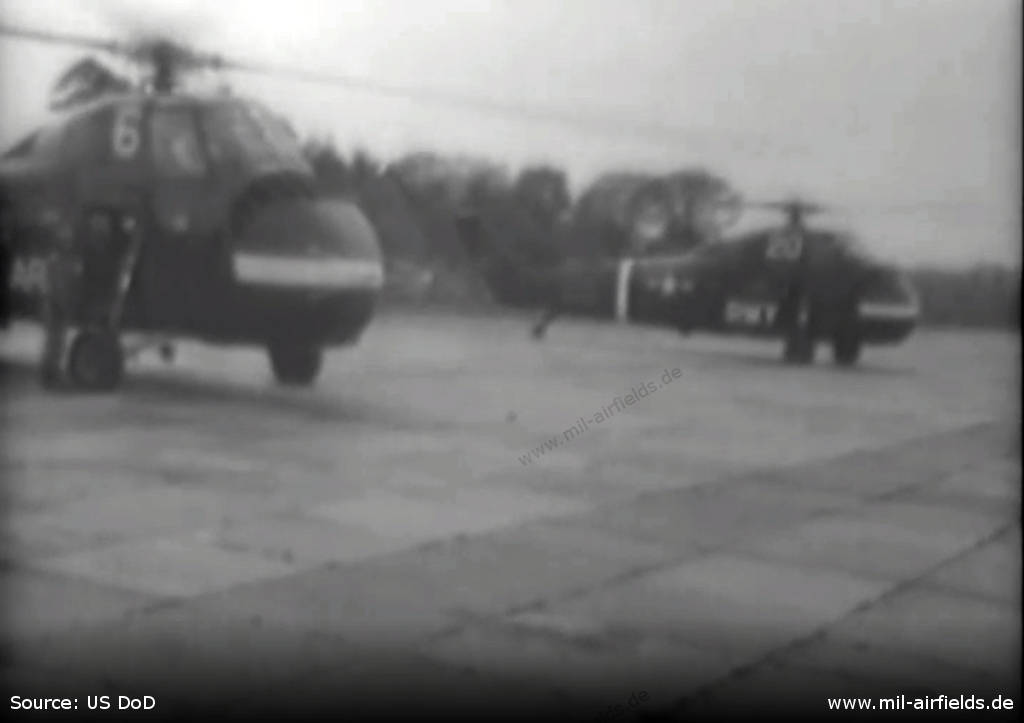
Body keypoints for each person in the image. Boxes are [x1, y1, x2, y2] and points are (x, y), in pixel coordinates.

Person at [39, 226, 80, 387]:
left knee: (58, 342)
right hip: (54, 304)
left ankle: (51, 374)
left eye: (68, 241)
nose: (67, 243)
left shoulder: (67, 261)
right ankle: (48, 375)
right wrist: (61, 302)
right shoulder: (55, 260)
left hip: (60, 304)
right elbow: (54, 286)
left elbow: (70, 284)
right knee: (53, 342)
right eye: (65, 241)